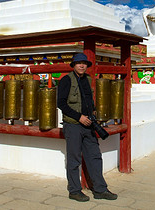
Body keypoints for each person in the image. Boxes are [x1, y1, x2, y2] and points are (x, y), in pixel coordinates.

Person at [57, 53, 118, 202]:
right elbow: (61, 104)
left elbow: (88, 99)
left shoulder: (88, 80)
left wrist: (93, 110)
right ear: (73, 65)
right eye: (79, 63)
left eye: (84, 63)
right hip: (73, 125)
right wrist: (79, 117)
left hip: (89, 125)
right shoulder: (66, 80)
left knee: (95, 156)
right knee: (74, 158)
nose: (82, 66)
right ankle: (74, 190)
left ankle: (100, 189)